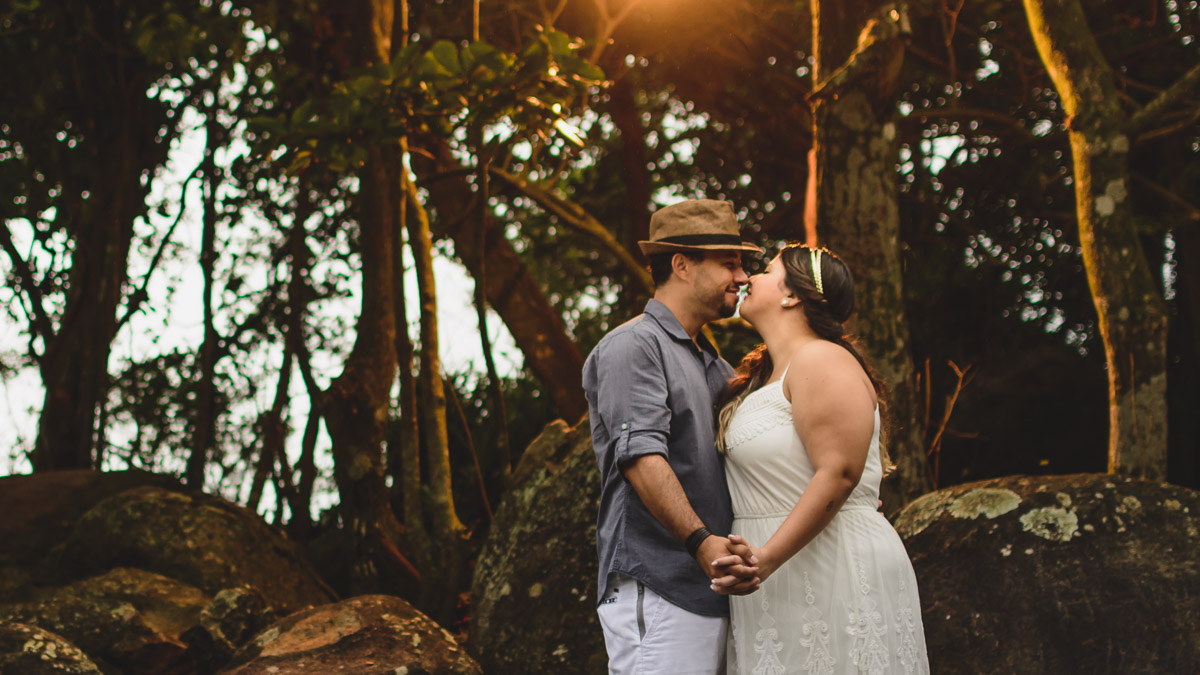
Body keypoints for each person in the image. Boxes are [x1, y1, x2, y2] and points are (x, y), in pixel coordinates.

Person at [710, 244, 930, 674]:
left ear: (793, 295)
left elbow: (841, 471)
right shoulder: (761, 377)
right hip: (775, 577)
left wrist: (768, 556)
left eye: (767, 270)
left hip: (829, 566)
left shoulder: (820, 357)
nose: (748, 278)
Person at [583, 199, 764, 674]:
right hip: (659, 586)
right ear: (682, 265)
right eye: (729, 263)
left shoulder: (717, 365)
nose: (743, 277)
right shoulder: (634, 345)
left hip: (715, 593)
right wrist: (703, 542)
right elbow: (641, 458)